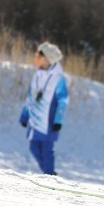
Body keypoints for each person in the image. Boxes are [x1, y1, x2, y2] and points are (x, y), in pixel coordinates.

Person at [19, 42, 69, 175]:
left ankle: (49, 175)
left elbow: (63, 100)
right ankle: (49, 174)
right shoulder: (37, 75)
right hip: (35, 120)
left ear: (46, 59)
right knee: (33, 148)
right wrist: (24, 115)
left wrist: (58, 120)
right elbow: (30, 97)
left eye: (38, 55)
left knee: (47, 150)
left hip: (49, 121)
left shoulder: (58, 79)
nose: (35, 57)